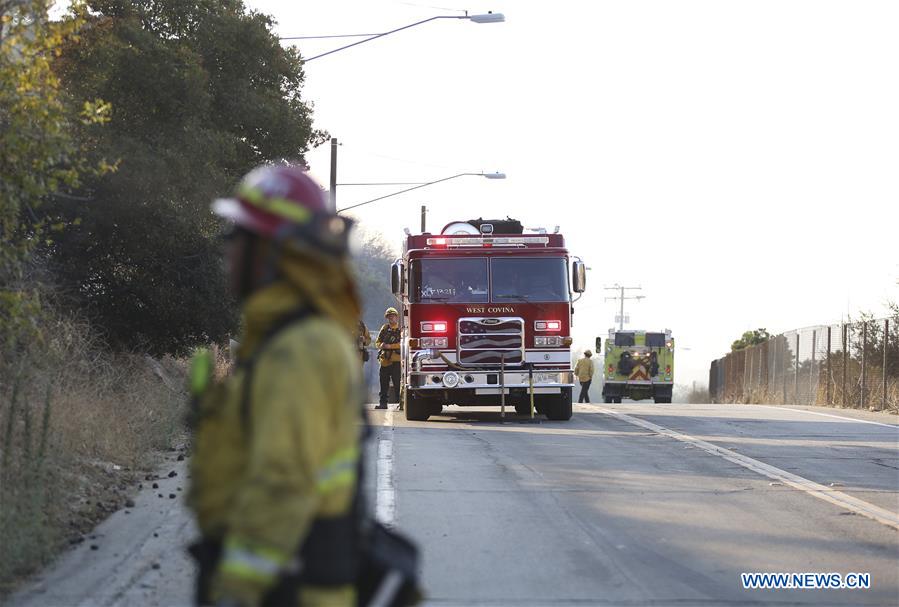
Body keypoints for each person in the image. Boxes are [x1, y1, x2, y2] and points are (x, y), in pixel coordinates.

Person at [187, 164, 365, 607]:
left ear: (271, 252)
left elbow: (282, 482)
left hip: (284, 592)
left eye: (238, 236)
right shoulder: (280, 337)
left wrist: (236, 592)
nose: (227, 250)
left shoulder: (301, 348)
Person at [375, 307, 402, 409]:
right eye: (389, 316)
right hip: (384, 361)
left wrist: (390, 346)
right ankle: (383, 403)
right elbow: (377, 342)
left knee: (398, 383)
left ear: (396, 317)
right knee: (383, 383)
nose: (391, 318)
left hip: (396, 360)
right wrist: (381, 345)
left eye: (393, 316)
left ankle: (401, 404)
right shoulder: (384, 328)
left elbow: (403, 344)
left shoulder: (401, 329)